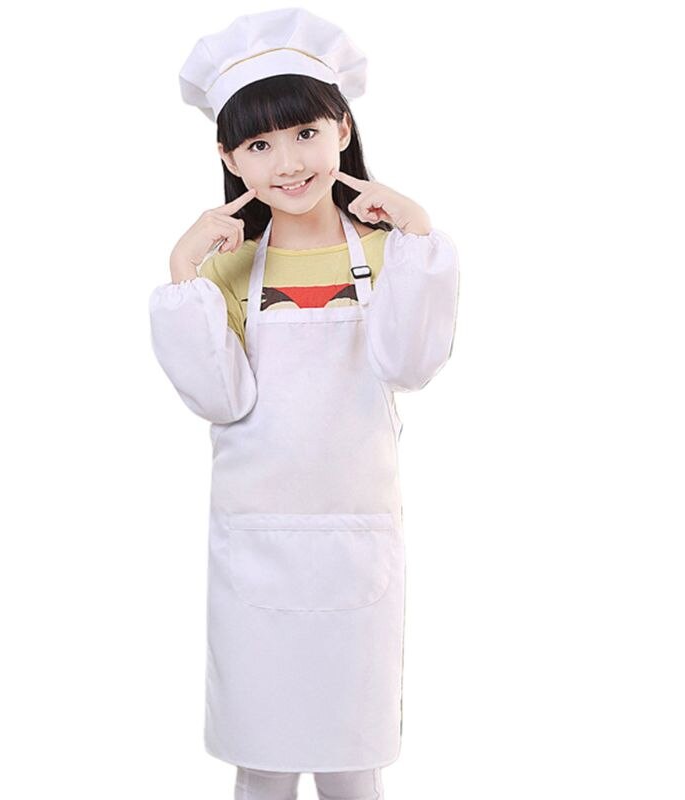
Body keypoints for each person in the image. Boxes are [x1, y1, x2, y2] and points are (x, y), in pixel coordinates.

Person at [148, 8, 460, 800]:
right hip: (256, 550)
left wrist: (420, 236)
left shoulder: (390, 253)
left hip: (357, 545)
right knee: (263, 760)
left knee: (355, 761)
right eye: (258, 145)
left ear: (343, 130)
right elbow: (218, 399)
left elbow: (410, 364)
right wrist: (183, 272)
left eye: (306, 133)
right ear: (228, 157)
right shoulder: (225, 269)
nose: (288, 162)